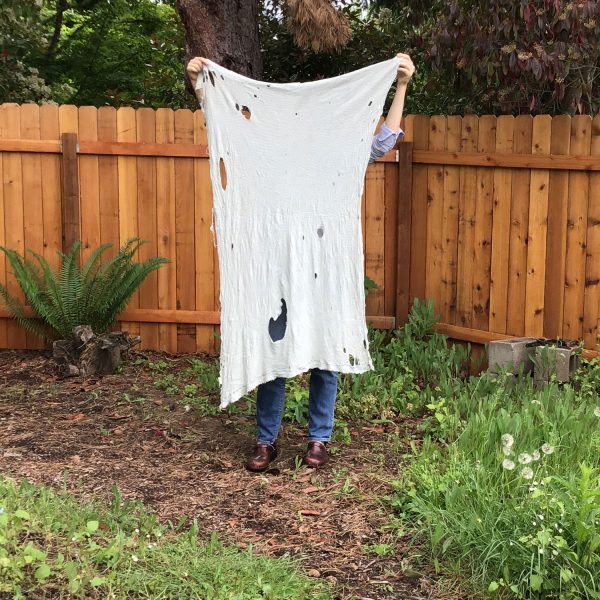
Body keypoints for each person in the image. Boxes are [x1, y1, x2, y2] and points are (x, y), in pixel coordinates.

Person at [186, 53, 415, 472]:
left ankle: (318, 439)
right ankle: (266, 441)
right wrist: (203, 87)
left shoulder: (337, 148)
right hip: (275, 265)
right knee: (274, 347)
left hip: (325, 261)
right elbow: (228, 128)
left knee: (326, 350)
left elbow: (383, 142)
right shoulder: (270, 148)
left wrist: (399, 86)